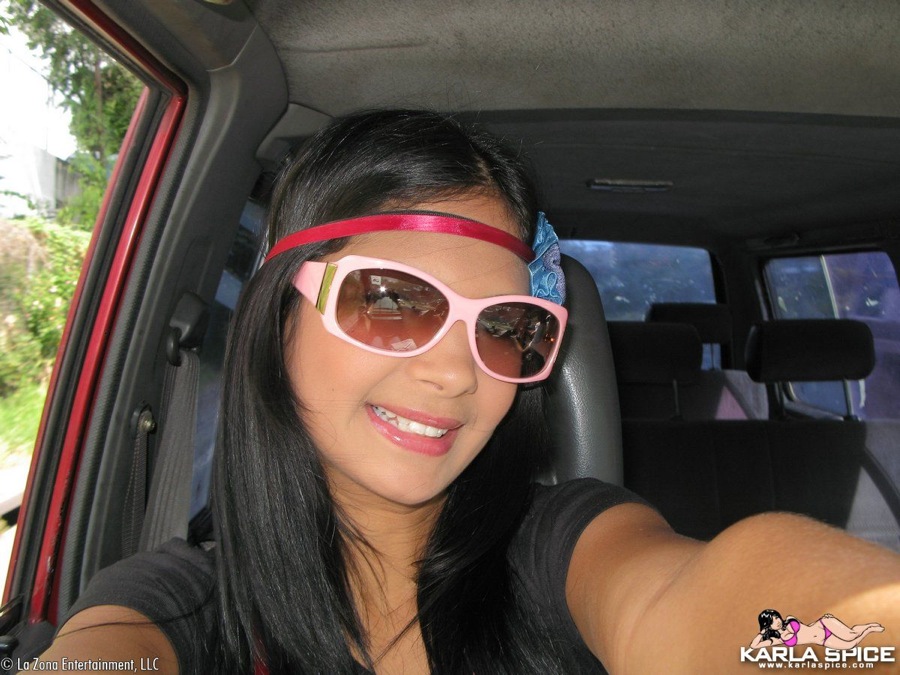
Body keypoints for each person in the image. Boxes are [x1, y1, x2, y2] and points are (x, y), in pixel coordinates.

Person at [39, 110, 900, 674]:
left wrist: (856, 640)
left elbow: (701, 603)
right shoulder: (175, 605)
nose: (458, 373)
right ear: (279, 315)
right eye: (391, 300)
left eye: (505, 327)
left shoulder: (562, 546)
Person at [752, 609, 884, 651]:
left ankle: (869, 626)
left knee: (850, 635)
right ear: (767, 625)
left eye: (776, 617)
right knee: (851, 645)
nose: (777, 621)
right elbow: (754, 645)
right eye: (772, 621)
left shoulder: (789, 619)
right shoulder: (778, 639)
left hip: (823, 625)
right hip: (823, 640)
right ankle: (868, 630)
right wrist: (762, 633)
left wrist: (825, 619)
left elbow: (807, 627)